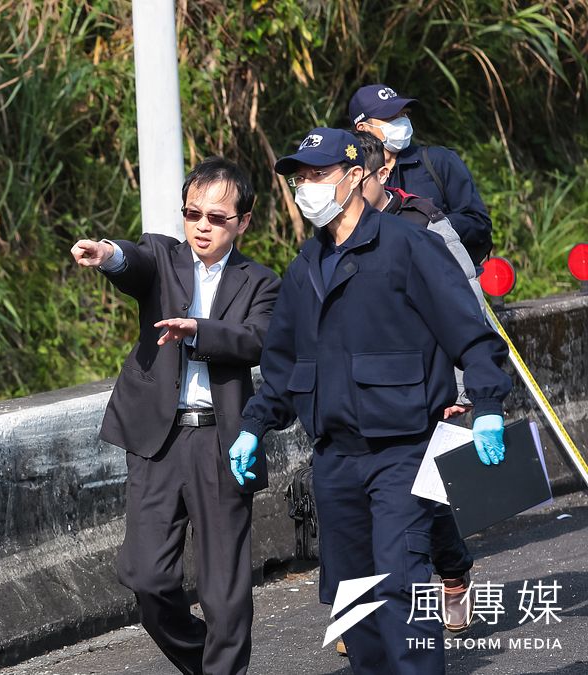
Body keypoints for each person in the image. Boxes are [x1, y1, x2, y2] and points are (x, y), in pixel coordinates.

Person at [230, 128, 511, 674]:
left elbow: (469, 332)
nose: (305, 188)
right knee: (353, 602)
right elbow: (284, 367)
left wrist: (490, 405)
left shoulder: (408, 246)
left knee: (402, 589)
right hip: (335, 461)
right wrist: (254, 424)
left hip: (404, 452)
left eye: (318, 175)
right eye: (299, 178)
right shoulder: (304, 267)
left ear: (356, 176)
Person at [70, 157, 280, 675]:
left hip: (222, 440)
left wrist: (200, 331)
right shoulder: (164, 258)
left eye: (216, 217)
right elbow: (133, 262)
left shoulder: (262, 282)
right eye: (193, 214)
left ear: (243, 222)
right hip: (158, 441)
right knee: (147, 577)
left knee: (223, 590)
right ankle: (204, 659)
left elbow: (260, 340)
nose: (202, 226)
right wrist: (107, 254)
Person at [355, 130, 484, 634]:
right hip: (361, 392)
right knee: (359, 504)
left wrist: (463, 389)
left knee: (421, 497)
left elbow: (465, 305)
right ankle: (369, 616)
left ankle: (451, 573)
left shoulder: (422, 220)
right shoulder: (330, 237)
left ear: (380, 174)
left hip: (425, 386)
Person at [349, 84, 493, 265]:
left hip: (442, 275)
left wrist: (431, 226)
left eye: (404, 114)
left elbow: (478, 223)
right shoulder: (351, 177)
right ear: (363, 128)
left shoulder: (439, 161)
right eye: (391, 117)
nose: (402, 121)